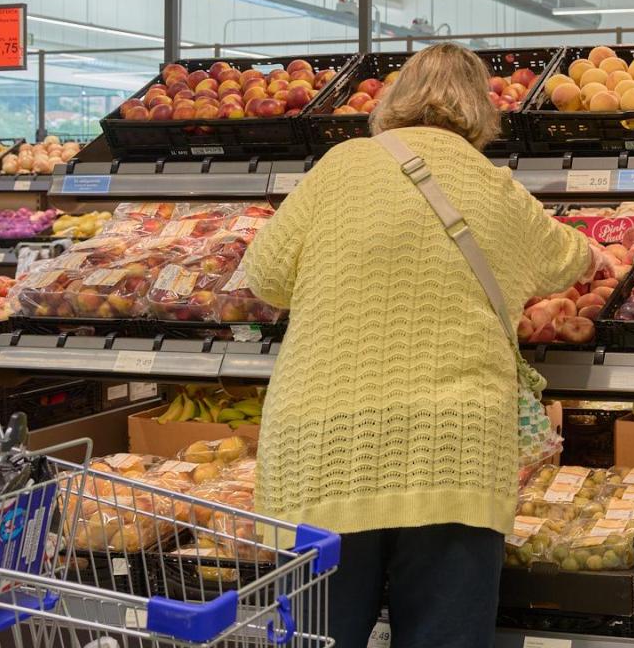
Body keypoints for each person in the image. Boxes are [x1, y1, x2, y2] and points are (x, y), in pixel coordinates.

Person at [245, 43, 604, 648]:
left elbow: (266, 276)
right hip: (452, 450)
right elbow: (571, 260)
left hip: (324, 446)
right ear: (483, 112)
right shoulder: (497, 188)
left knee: (317, 641)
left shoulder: (340, 165)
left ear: (392, 101)